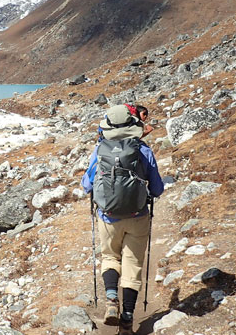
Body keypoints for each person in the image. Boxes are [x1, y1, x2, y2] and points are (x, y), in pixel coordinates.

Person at [81, 104, 164, 333]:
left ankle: (110, 300)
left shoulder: (99, 150)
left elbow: (86, 185)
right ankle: (127, 319)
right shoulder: (143, 150)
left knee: (110, 257)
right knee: (133, 265)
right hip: (138, 217)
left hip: (108, 217)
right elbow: (157, 189)